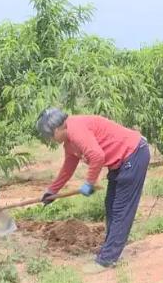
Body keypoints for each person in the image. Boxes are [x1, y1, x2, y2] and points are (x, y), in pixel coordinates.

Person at [36, 108, 150, 272]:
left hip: (133, 154)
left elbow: (97, 156)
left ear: (58, 129)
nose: (51, 140)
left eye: (50, 136)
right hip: (120, 162)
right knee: (110, 205)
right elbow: (68, 167)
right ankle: (109, 251)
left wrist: (89, 183)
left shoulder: (76, 130)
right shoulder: (69, 141)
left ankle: (107, 259)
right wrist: (52, 191)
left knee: (120, 210)